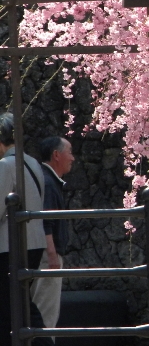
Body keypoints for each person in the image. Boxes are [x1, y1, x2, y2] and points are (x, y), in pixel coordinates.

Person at [0, 113, 53, 346]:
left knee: (11, 305)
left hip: (9, 245)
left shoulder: (5, 165)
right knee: (21, 302)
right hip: (34, 241)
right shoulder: (31, 161)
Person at [30, 137, 75, 335]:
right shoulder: (48, 182)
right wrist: (52, 254)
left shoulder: (46, 179)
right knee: (45, 314)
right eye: (70, 152)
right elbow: (45, 221)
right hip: (48, 256)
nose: (73, 158)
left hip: (45, 254)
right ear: (56, 155)